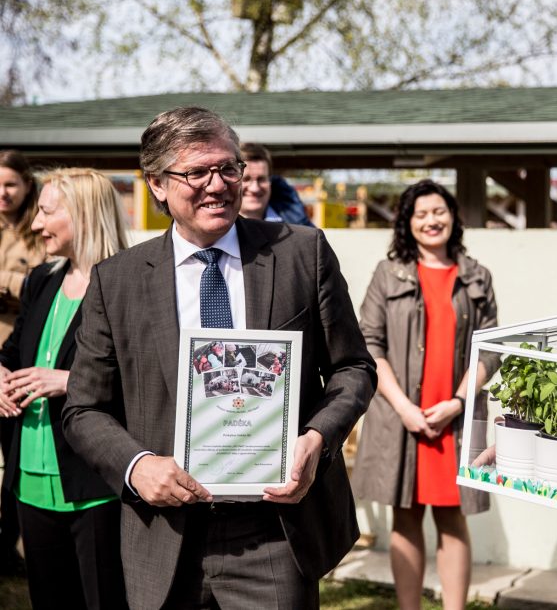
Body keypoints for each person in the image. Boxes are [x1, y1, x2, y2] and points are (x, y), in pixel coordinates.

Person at [62, 106, 376, 609]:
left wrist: (317, 439)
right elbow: (83, 409)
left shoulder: (302, 251)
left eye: (228, 167)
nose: (219, 184)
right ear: (158, 184)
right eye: (197, 172)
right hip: (163, 535)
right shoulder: (116, 280)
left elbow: (353, 368)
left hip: (274, 532)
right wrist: (137, 466)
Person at [352, 179, 499, 610]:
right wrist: (405, 409)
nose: (432, 220)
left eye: (439, 211)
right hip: (402, 417)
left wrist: (456, 403)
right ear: (407, 223)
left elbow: (491, 349)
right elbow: (369, 344)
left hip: (453, 414)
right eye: (421, 214)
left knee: (452, 517)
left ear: (453, 217)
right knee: (406, 514)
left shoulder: (477, 277)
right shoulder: (388, 273)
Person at [0, 167, 128, 609]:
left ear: (85, 215)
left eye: (46, 211)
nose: (35, 223)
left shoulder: (129, 285)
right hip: (29, 482)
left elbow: (151, 377)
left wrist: (70, 382)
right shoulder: (41, 279)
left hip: (96, 484)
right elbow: (15, 350)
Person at [0, 150, 47, 575]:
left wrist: (6, 282)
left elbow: (42, 281)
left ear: (26, 186)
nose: (2, 193)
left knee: (13, 456)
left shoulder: (38, 230)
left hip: (22, 357)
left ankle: (11, 545)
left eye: (10, 184)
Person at [239, 142, 314, 226]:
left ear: (270, 181)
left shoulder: (297, 223)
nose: (255, 188)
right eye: (246, 179)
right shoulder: (222, 230)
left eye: (261, 179)